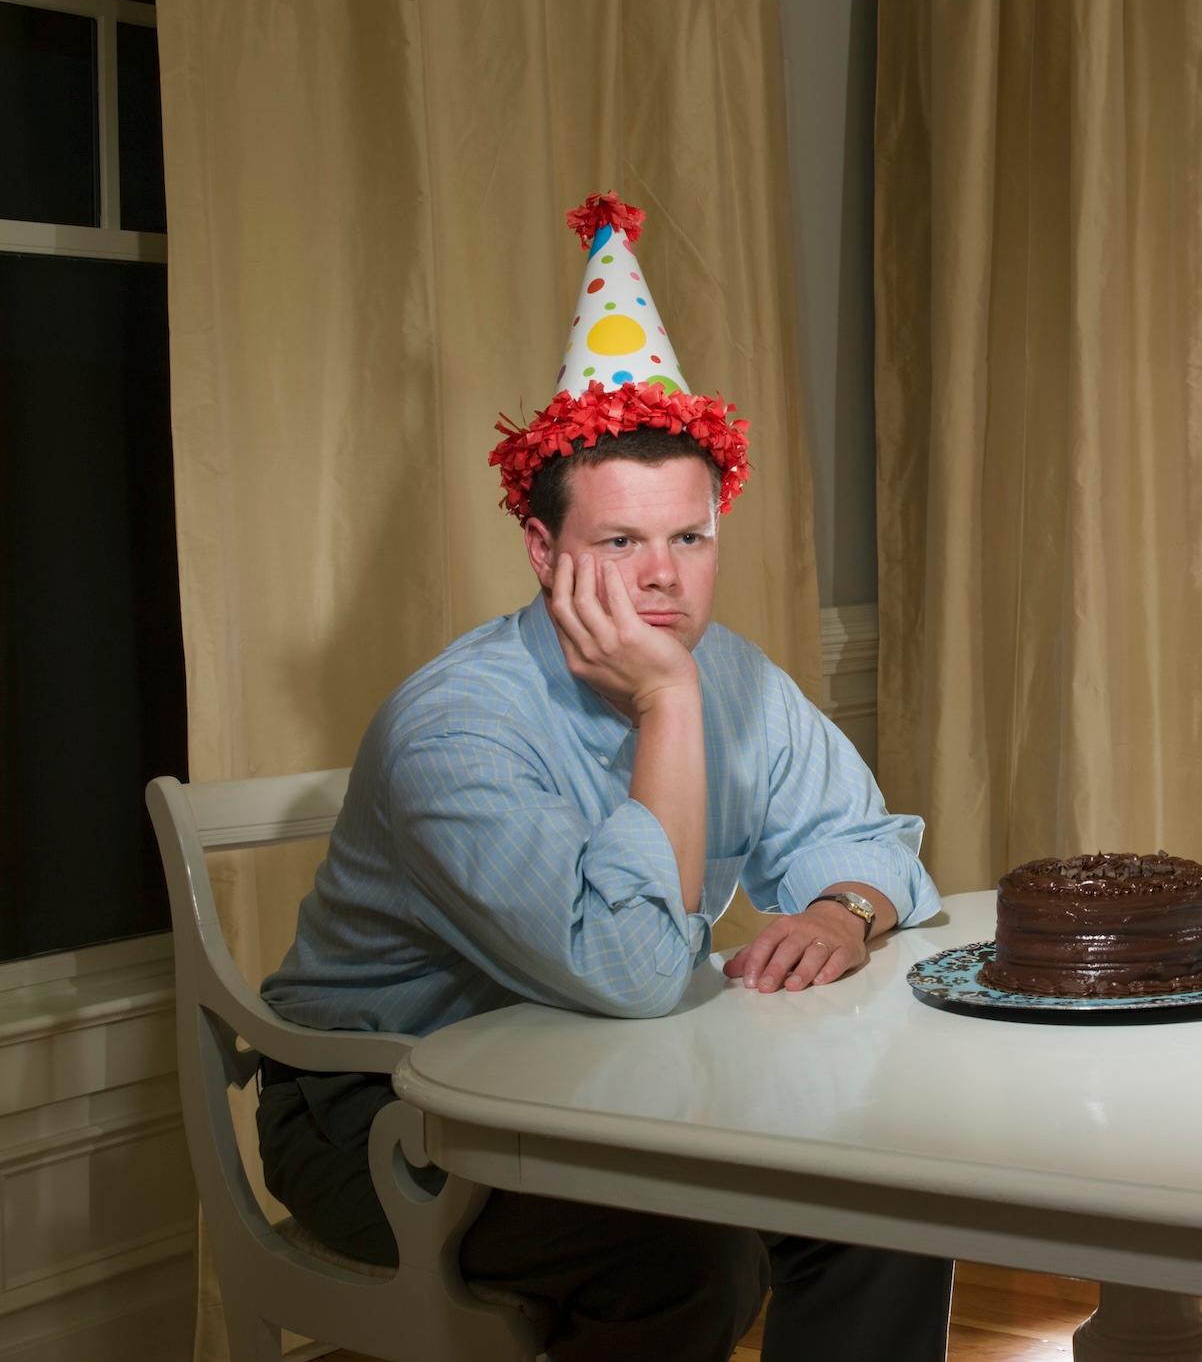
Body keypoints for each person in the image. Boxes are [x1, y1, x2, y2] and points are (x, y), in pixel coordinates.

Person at [256, 193, 952, 1362]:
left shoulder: (737, 676)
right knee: (682, 1255)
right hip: (382, 1110)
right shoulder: (453, 727)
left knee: (890, 1196)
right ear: (543, 551)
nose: (664, 581)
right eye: (618, 543)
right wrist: (663, 702)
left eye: (689, 537)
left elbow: (867, 834)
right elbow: (628, 973)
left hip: (613, 1078)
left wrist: (844, 905)